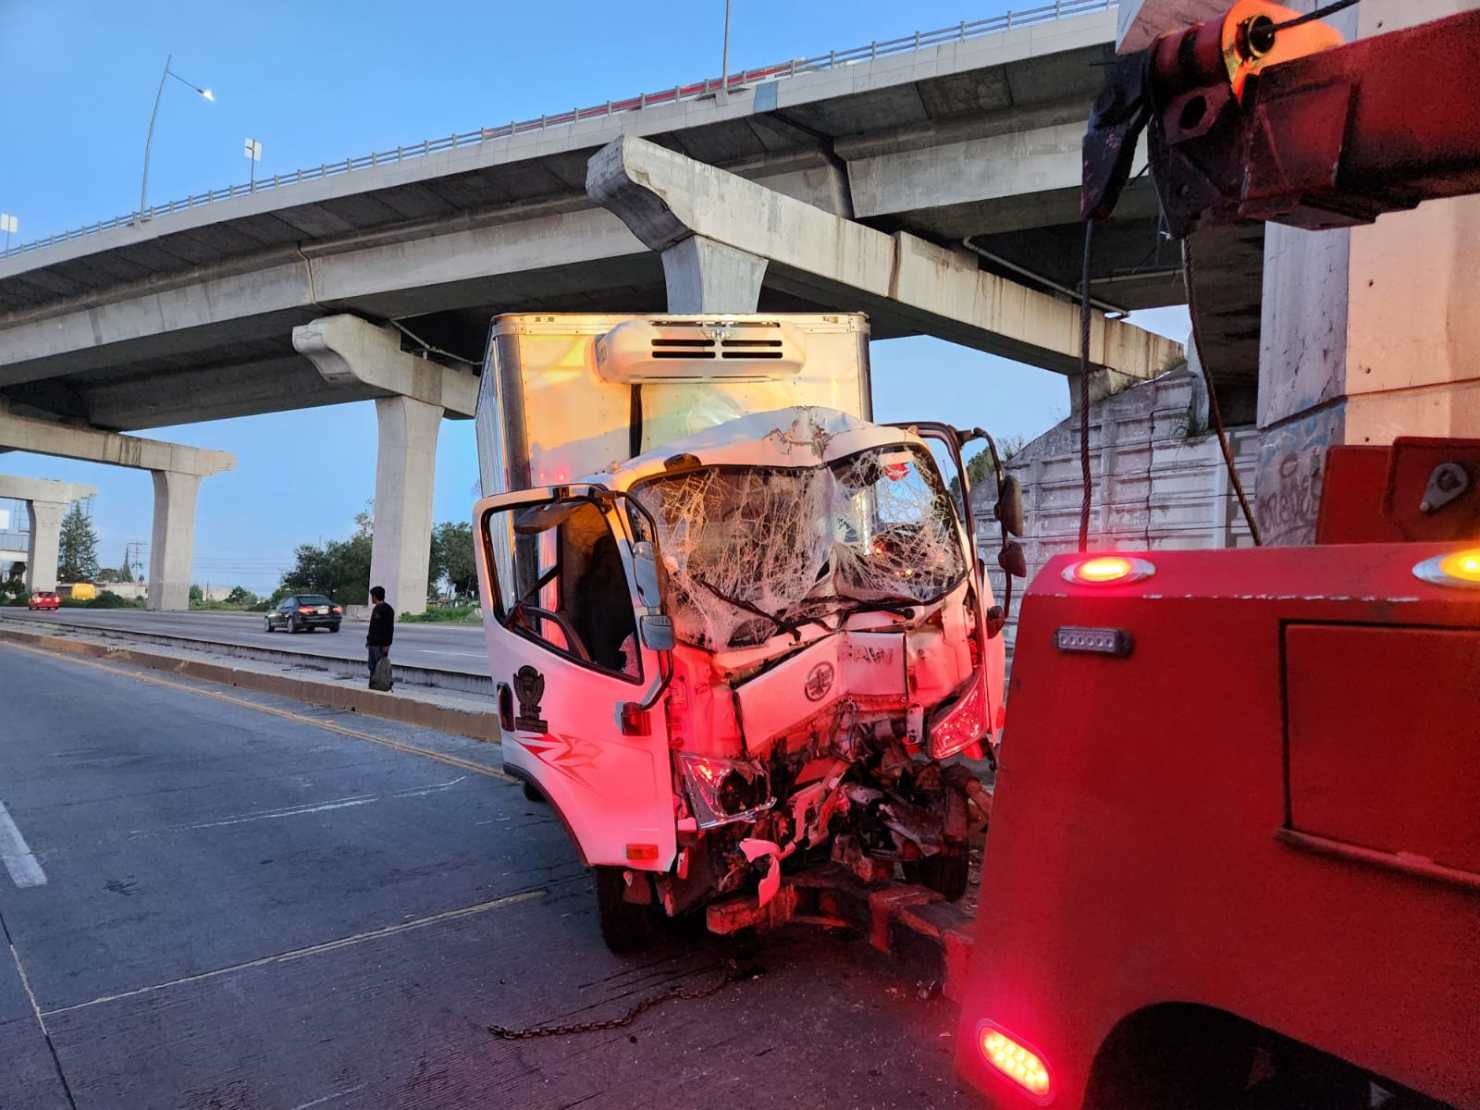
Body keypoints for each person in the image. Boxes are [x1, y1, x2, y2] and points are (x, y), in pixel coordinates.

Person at [366, 585, 395, 685]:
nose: (371, 598)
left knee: (378, 669)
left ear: (374, 596)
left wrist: (387, 645)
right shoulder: (377, 608)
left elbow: (389, 629)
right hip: (373, 643)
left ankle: (378, 687)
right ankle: (373, 686)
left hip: (380, 645)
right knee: (372, 667)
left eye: (372, 596)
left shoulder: (386, 609)